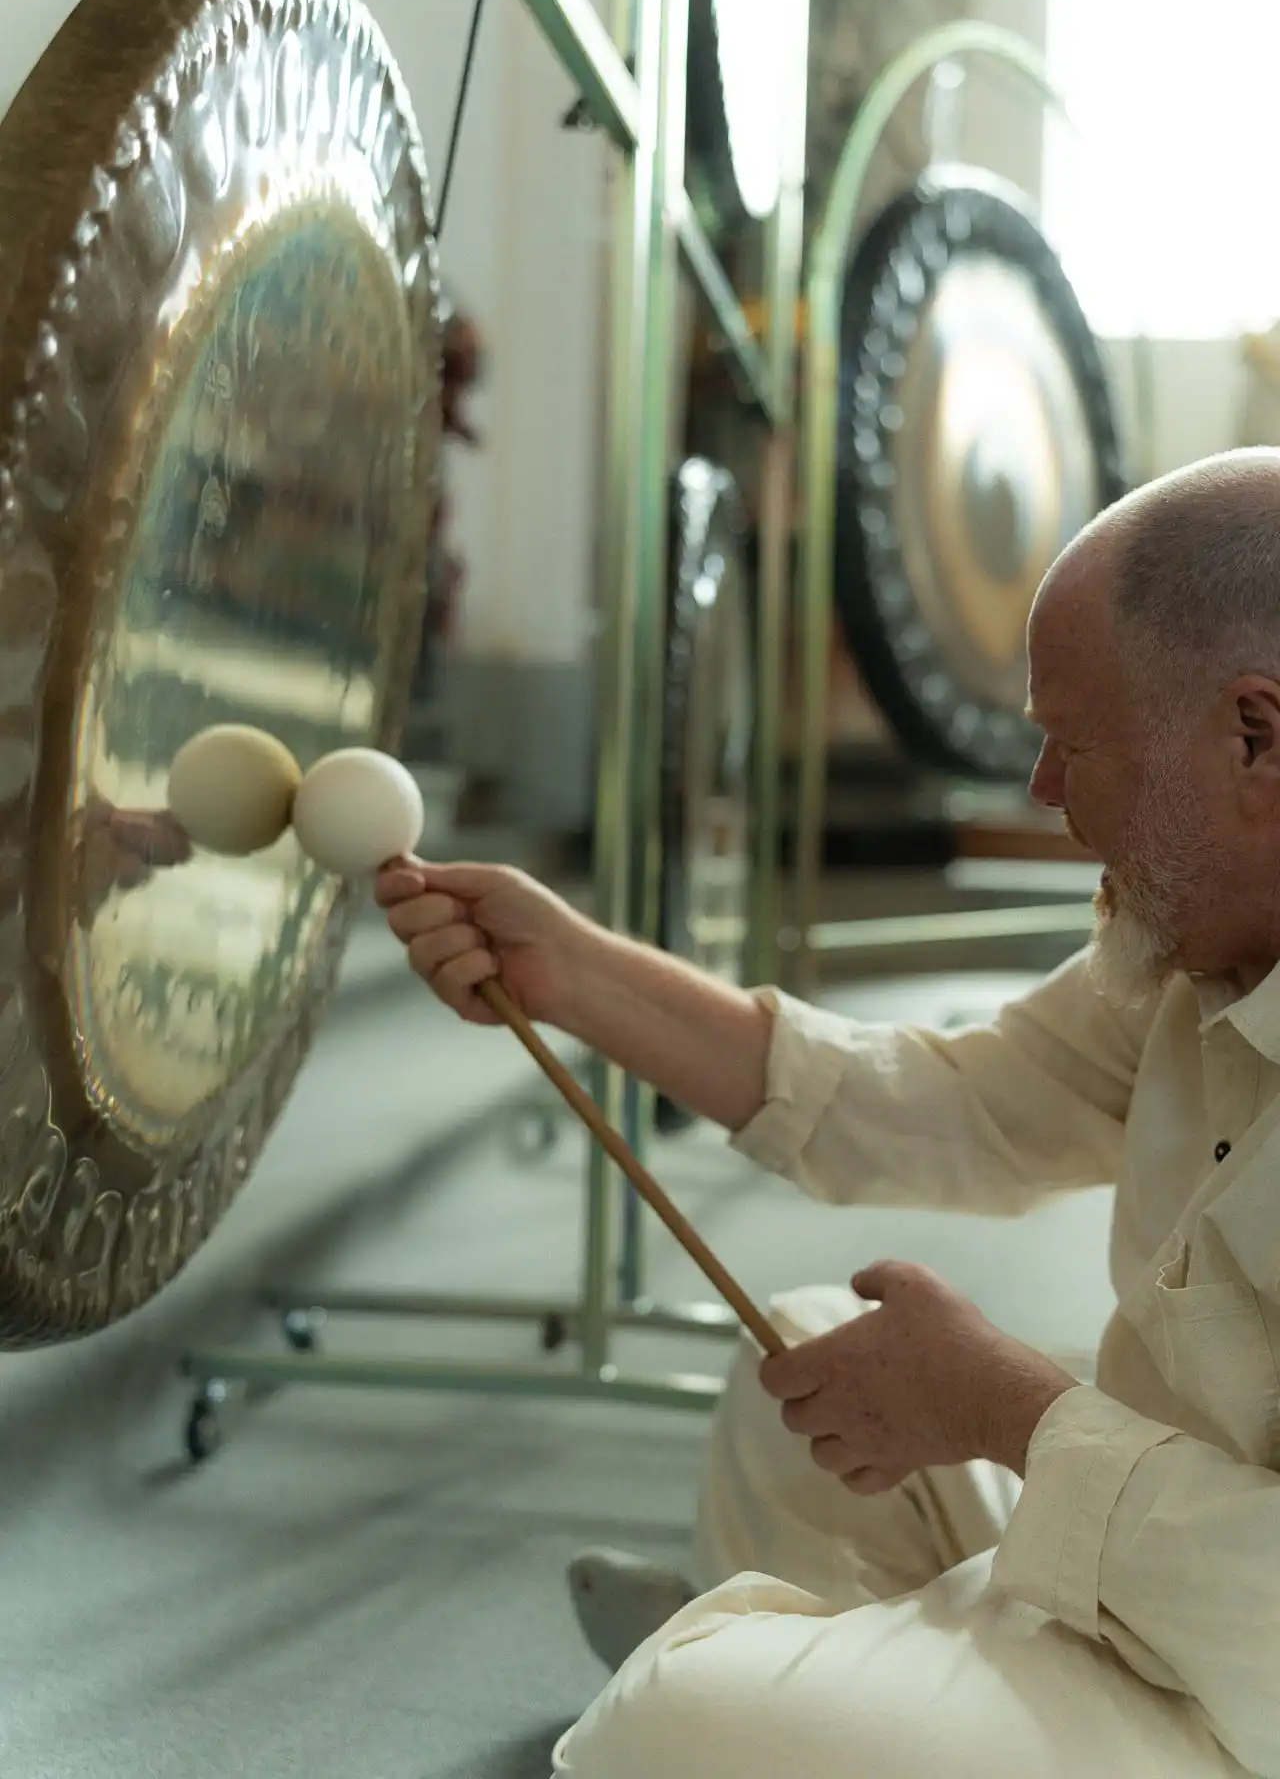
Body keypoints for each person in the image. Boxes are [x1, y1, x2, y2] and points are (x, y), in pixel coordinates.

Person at [376, 448, 1280, 1777]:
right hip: (1154, 1565)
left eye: (1074, 742)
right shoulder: (1193, 949)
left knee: (679, 1724)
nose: (1041, 788)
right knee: (809, 1356)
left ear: (1256, 735)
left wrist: (1004, 1406)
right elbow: (947, 1102)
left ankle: (798, 1677)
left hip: (1250, 1681)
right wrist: (573, 971)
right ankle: (848, 1675)